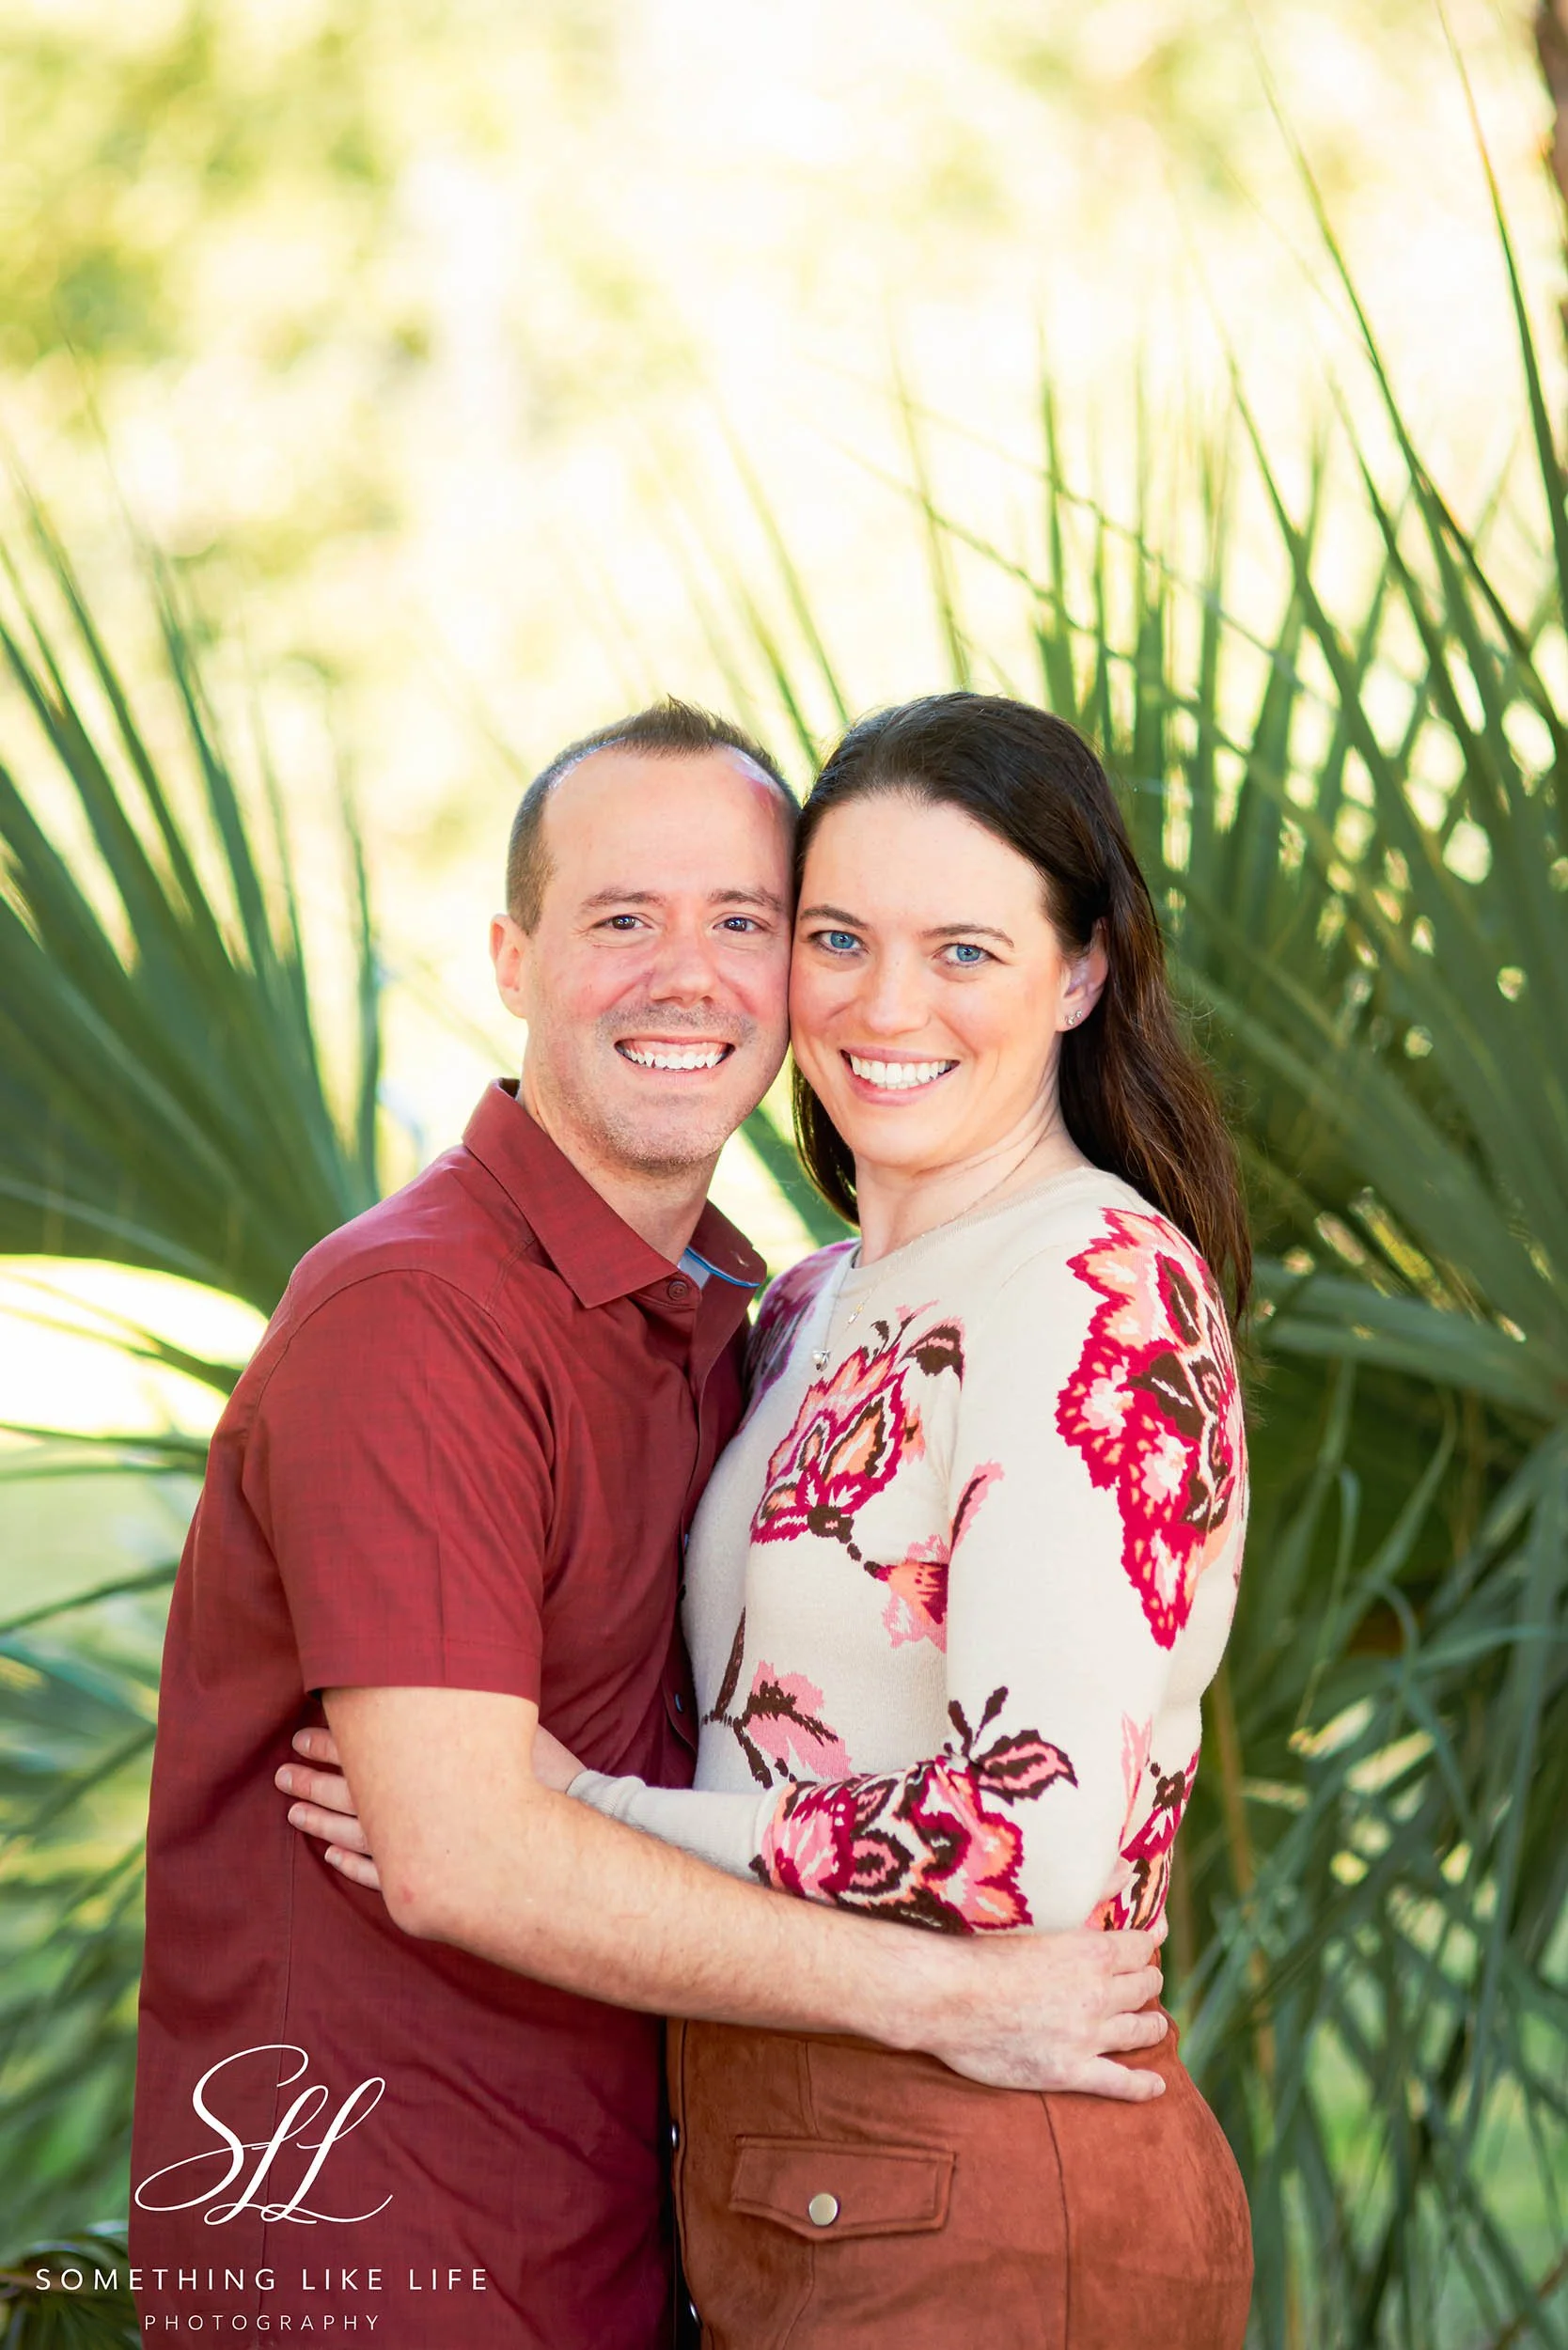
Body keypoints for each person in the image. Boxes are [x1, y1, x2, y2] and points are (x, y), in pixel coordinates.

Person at [131, 697, 1168, 2350]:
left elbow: (994, 1798)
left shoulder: (750, 1315)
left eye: (746, 922)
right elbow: (462, 1853)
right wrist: (948, 1995)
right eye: (624, 918)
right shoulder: (423, 1314)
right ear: (513, 956)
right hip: (378, 2245)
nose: (688, 973)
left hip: (696, 2227)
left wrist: (594, 1807)